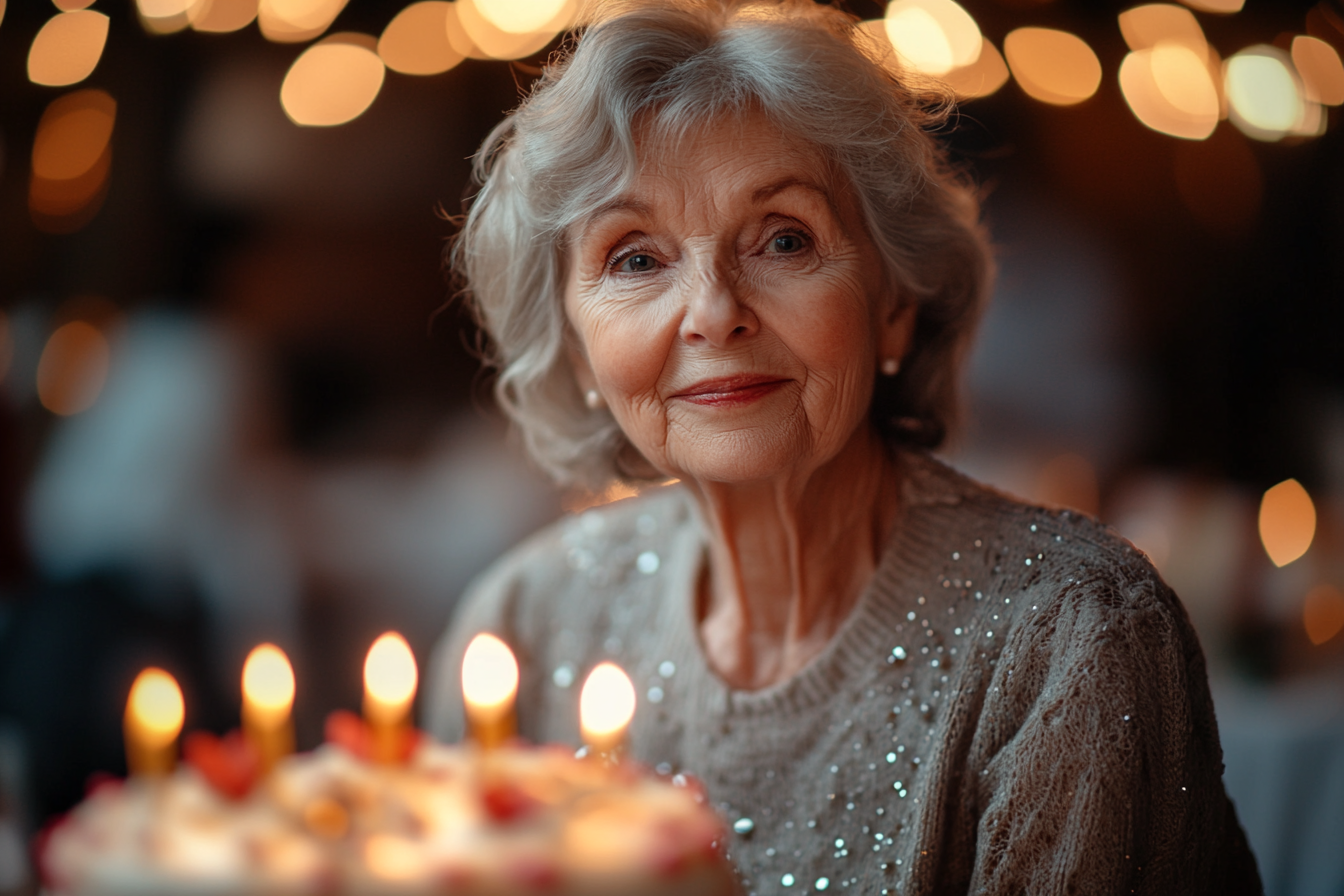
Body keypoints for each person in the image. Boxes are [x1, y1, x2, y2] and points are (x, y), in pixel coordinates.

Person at [426, 1, 1262, 893]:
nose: (713, 311)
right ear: (576, 339)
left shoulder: (1069, 641)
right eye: (636, 259)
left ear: (893, 303)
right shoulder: (526, 622)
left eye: (785, 239)